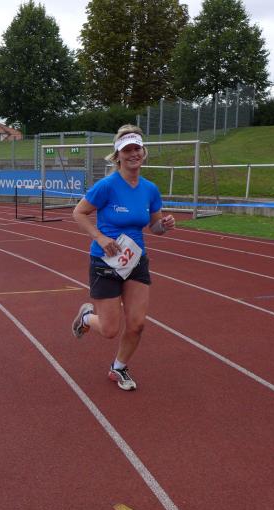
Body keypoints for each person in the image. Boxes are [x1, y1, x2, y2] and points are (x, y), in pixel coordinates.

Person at [71, 125, 176, 391]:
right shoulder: (106, 186)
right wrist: (100, 237)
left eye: (137, 149)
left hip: (135, 261)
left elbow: (154, 227)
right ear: (118, 155)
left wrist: (164, 225)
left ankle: (118, 368)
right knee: (109, 330)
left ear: (143, 152)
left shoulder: (150, 189)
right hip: (105, 262)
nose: (133, 154)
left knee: (137, 324)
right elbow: (79, 213)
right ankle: (86, 317)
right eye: (127, 150)